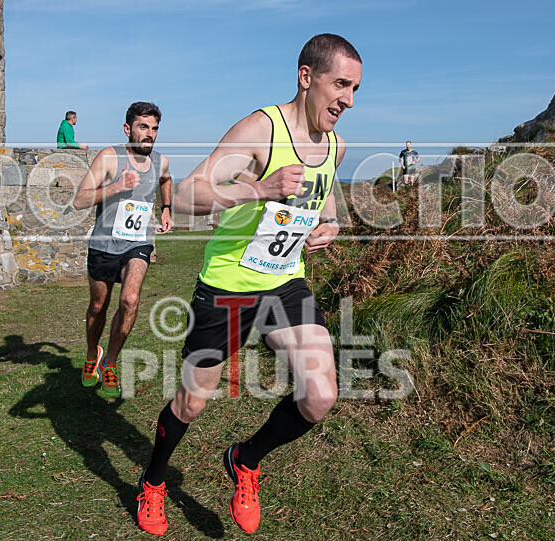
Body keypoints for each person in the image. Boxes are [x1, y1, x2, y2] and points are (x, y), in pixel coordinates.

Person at [134, 34, 361, 536]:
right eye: (340, 84)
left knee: (320, 395)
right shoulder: (262, 129)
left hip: (284, 285)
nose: (347, 99)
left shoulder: (336, 146)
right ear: (307, 77)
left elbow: (323, 201)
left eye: (355, 89)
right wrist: (260, 187)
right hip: (228, 285)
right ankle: (154, 481)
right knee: (193, 401)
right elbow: (191, 192)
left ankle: (245, 459)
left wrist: (330, 225)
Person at [71, 102, 174, 398]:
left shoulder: (160, 162)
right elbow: (79, 200)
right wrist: (116, 187)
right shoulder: (109, 157)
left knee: (130, 300)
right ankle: (93, 353)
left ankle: (111, 363)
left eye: (154, 128)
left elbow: (166, 180)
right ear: (128, 129)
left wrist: (166, 208)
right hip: (103, 245)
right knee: (98, 307)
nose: (149, 134)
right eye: (143, 127)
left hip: (138, 243)